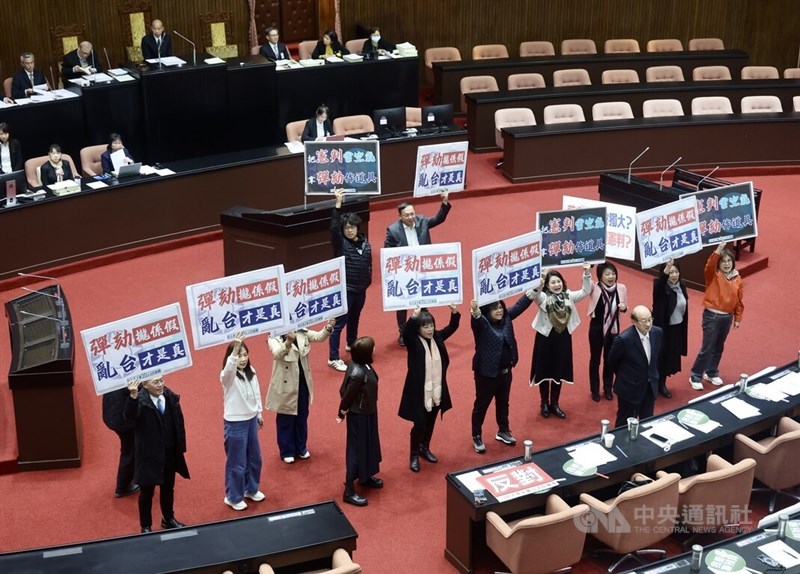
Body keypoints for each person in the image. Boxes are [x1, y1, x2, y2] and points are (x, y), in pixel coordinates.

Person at [469, 291, 534, 453]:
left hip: (506, 372)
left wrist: (535, 289)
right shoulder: (483, 325)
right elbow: (476, 321)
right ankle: (476, 435)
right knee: (481, 406)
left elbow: (520, 306)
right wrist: (475, 311)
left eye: (500, 307)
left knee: (503, 403)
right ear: (487, 312)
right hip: (486, 374)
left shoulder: (506, 319)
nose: (499, 310)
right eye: (495, 309)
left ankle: (503, 430)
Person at [384, 192, 452, 345]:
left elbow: (438, 219)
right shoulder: (393, 230)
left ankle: (424, 327)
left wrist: (445, 203)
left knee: (423, 298)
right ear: (400, 216)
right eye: (407, 215)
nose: (410, 217)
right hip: (404, 272)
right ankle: (403, 333)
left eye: (412, 214)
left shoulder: (422, 221)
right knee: (402, 304)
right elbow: (387, 253)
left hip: (423, 270)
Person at [124, 376, 189, 533]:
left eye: (162, 380)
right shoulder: (139, 400)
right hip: (148, 456)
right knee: (147, 493)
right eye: (156, 382)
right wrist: (132, 397)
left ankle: (168, 518)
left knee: (168, 488)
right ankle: (145, 526)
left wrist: (180, 447)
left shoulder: (170, 396)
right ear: (144, 384)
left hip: (169, 453)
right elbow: (129, 418)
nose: (160, 385)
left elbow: (178, 423)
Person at [399, 304, 460, 472]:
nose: (430, 329)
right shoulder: (413, 342)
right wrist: (413, 317)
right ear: (418, 328)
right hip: (418, 391)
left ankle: (424, 447)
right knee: (419, 424)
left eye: (431, 325)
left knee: (431, 420)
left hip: (437, 389)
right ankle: (413, 455)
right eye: (425, 326)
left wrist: (454, 312)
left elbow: (453, 327)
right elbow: (406, 333)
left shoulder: (437, 338)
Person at [266, 318, 335, 463]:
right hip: (285, 385)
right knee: (286, 417)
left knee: (302, 415)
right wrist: (288, 343)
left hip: (302, 381)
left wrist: (328, 327)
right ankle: (287, 450)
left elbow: (318, 336)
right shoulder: (274, 336)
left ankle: (301, 447)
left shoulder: (301, 331)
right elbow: (277, 353)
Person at [530, 263, 592, 419]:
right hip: (545, 338)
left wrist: (586, 273)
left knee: (559, 370)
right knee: (544, 371)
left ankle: (555, 404)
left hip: (563, 338)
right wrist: (541, 279)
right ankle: (544, 402)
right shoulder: (544, 297)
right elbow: (534, 294)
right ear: (548, 286)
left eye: (558, 282)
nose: (556, 285)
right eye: (553, 283)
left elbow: (586, 291)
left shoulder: (569, 295)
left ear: (562, 282)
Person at [688, 242, 744, 390]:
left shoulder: (737, 278)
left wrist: (737, 318)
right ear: (718, 264)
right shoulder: (713, 275)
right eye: (723, 261)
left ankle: (711, 372)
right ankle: (695, 375)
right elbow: (710, 264)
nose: (726, 264)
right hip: (712, 317)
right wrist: (719, 249)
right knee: (707, 347)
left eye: (729, 261)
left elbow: (739, 300)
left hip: (727, 317)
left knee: (719, 347)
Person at [328, 189, 372, 371]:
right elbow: (333, 228)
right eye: (346, 228)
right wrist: (337, 205)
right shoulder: (341, 244)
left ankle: (351, 343)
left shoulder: (364, 242)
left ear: (357, 227)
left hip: (361, 289)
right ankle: (333, 357)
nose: (350, 230)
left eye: (352, 227)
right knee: (339, 324)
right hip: (346, 289)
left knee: (355, 318)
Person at [220, 336, 264, 511]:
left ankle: (250, 489)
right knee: (237, 463)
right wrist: (235, 350)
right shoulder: (227, 376)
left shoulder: (251, 370)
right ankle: (233, 497)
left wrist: (259, 412)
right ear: (231, 357)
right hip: (235, 422)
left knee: (255, 458)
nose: (243, 359)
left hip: (251, 419)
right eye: (239, 355)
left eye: (245, 354)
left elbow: (257, 392)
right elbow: (227, 372)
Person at [337, 336, 382, 507]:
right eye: (372, 348)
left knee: (370, 445)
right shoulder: (357, 373)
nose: (375, 350)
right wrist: (341, 413)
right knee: (356, 451)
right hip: (359, 416)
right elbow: (346, 394)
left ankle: (365, 476)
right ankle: (348, 490)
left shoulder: (364, 365)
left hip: (369, 412)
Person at [608, 305, 664, 428]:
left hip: (649, 386)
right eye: (644, 321)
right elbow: (612, 363)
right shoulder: (623, 339)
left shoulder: (657, 333)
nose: (648, 324)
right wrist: (627, 377)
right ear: (634, 321)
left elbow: (656, 358)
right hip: (629, 389)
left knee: (647, 423)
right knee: (624, 424)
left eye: (650, 319)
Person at [586, 262, 628, 402]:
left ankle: (608, 388)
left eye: (613, 273)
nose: (611, 277)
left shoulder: (621, 288)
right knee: (595, 360)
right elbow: (585, 286)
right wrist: (587, 271)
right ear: (600, 276)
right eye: (607, 274)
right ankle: (594, 390)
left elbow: (624, 307)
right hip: (597, 329)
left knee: (610, 360)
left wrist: (623, 307)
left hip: (614, 329)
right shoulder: (594, 287)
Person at [652, 258, 688, 398]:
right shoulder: (660, 287)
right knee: (658, 358)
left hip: (677, 328)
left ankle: (662, 384)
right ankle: (654, 385)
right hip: (662, 329)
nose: (674, 275)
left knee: (669, 358)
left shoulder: (682, 286)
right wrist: (666, 271)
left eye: (676, 272)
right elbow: (660, 284)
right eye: (670, 272)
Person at [102, 388, 139, 498]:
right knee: (130, 450)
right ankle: (123, 486)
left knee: (130, 447)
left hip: (112, 412)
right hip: (124, 418)